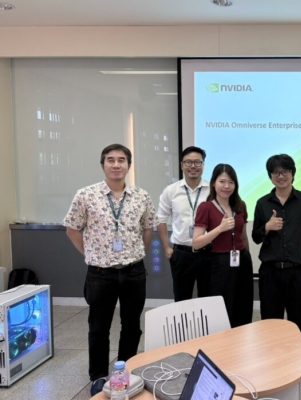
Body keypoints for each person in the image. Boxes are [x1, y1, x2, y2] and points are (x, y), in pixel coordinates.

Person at [63, 144, 156, 396]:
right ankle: (98, 375)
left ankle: (126, 371)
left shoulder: (141, 196)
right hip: (100, 273)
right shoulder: (86, 195)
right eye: (111, 160)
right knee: (98, 327)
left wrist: (137, 253)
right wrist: (91, 254)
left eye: (121, 160)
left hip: (133, 271)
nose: (116, 165)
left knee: (132, 325)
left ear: (129, 165)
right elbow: (72, 229)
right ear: (102, 164)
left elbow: (147, 229)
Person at [252, 154, 301, 389]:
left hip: (298, 273)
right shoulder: (263, 203)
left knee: (299, 323)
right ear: (270, 176)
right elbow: (255, 237)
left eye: (285, 171)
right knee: (270, 323)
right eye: (276, 172)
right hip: (270, 272)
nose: (280, 176)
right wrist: (266, 227)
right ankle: (273, 369)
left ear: (292, 173)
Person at [192, 164, 253, 327]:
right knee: (220, 311)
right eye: (222, 181)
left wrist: (247, 256)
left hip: (241, 262)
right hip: (217, 265)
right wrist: (220, 228)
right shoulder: (206, 207)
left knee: (242, 306)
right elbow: (196, 243)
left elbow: (243, 236)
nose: (226, 186)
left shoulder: (240, 206)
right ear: (213, 183)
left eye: (231, 182)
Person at [157, 146, 210, 301]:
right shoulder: (171, 190)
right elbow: (160, 219)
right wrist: (167, 248)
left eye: (197, 162)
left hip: (207, 252)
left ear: (203, 165)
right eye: (188, 162)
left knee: (208, 297)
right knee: (181, 298)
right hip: (181, 253)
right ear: (181, 165)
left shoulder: (211, 190)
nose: (193, 166)